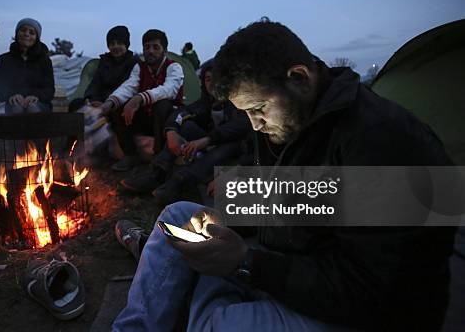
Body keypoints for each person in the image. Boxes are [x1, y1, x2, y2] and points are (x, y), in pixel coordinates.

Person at [112, 19, 455, 331]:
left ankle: (198, 302)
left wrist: (245, 263)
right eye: (245, 113)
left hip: (371, 310)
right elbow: (308, 201)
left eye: (258, 110)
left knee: (217, 324)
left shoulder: (387, 142)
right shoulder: (294, 117)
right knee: (178, 216)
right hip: (294, 258)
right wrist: (236, 206)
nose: (254, 125)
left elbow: (371, 291)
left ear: (299, 78)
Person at [119, 60, 251, 205]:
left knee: (229, 144)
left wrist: (206, 140)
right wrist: (171, 131)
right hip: (212, 142)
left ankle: (178, 183)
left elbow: (240, 126)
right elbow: (183, 112)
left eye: (217, 79)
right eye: (208, 80)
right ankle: (157, 173)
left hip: (236, 149)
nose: (212, 84)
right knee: (187, 126)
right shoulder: (207, 102)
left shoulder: (237, 101)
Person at [100, 29, 184, 172]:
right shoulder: (140, 67)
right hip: (148, 118)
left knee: (162, 105)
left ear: (164, 50)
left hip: (169, 121)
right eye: (147, 47)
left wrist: (139, 98)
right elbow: (129, 86)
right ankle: (130, 155)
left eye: (155, 47)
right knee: (118, 107)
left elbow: (169, 89)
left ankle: (159, 158)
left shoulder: (174, 67)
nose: (150, 51)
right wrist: (110, 103)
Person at [69, 25, 138, 112]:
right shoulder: (105, 61)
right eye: (112, 44)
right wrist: (92, 99)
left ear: (126, 45)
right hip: (99, 101)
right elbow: (95, 84)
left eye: (119, 43)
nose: (115, 47)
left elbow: (127, 88)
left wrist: (108, 102)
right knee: (76, 104)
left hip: (118, 102)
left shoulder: (133, 63)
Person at [0, 18, 55, 114]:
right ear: (17, 33)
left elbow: (49, 89)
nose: (27, 34)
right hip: (12, 102)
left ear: (37, 37)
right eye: (23, 30)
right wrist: (12, 95)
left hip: (39, 102)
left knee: (32, 108)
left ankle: (37, 129)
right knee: (16, 108)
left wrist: (36, 96)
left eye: (32, 32)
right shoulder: (4, 59)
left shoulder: (44, 61)